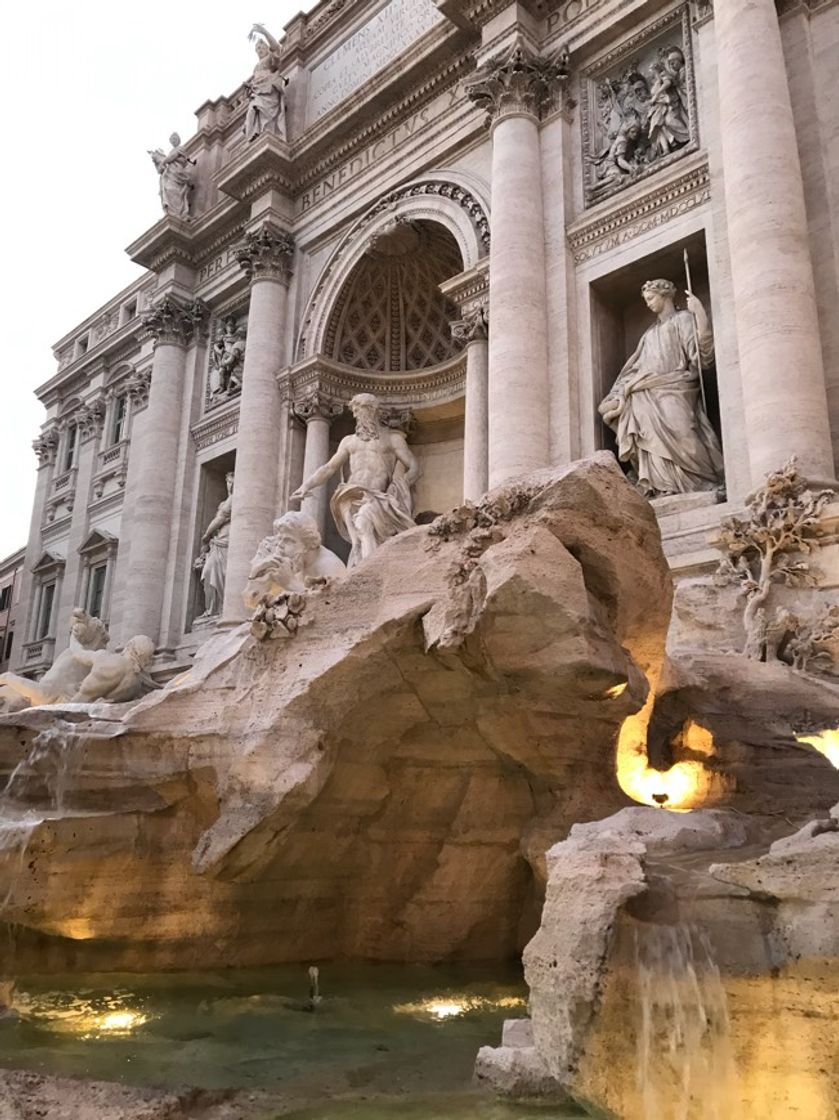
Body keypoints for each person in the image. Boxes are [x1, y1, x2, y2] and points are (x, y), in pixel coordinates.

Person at [598, 278, 723, 497]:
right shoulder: (648, 335)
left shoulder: (683, 320)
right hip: (645, 392)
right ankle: (661, 486)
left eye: (651, 298)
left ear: (665, 296)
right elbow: (633, 370)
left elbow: (701, 357)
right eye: (645, 300)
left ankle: (702, 481)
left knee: (685, 433)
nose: (647, 304)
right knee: (646, 434)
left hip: (677, 387)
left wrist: (700, 315)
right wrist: (617, 395)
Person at [290, 394, 420, 566]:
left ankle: (369, 570)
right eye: (357, 411)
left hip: (375, 496)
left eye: (365, 409)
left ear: (375, 412)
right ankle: (359, 571)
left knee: (363, 523)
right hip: (348, 495)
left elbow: (414, 468)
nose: (361, 415)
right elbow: (329, 468)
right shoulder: (349, 441)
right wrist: (307, 485)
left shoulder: (391, 439)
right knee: (358, 540)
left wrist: (399, 488)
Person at [194, 473, 234, 619]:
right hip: (218, 542)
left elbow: (221, 518)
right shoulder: (224, 502)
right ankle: (213, 609)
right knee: (210, 571)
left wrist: (206, 536)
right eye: (228, 481)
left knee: (220, 572)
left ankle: (220, 608)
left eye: (232, 481)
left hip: (227, 540)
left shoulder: (233, 499)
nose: (230, 484)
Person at [244, 24, 288, 142]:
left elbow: (277, 48)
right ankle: (254, 134)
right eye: (258, 48)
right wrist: (250, 87)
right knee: (252, 111)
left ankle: (264, 132)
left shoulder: (270, 58)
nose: (260, 50)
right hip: (257, 92)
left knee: (259, 110)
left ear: (267, 48)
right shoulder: (256, 67)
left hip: (268, 90)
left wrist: (264, 32)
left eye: (262, 47)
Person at [647, 47, 689, 157]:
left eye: (673, 63)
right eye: (670, 63)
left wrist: (657, 95)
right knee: (662, 125)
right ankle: (671, 144)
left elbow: (668, 83)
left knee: (670, 121)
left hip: (671, 103)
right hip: (662, 107)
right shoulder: (657, 81)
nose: (671, 66)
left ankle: (687, 136)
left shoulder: (664, 75)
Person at [148, 133, 195, 219]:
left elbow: (174, 157)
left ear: (178, 139)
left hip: (177, 171)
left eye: (175, 138)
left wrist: (165, 161)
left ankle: (179, 212)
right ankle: (173, 212)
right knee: (168, 190)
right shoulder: (171, 152)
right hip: (170, 173)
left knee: (173, 189)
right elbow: (167, 163)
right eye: (172, 139)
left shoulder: (181, 148)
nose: (173, 140)